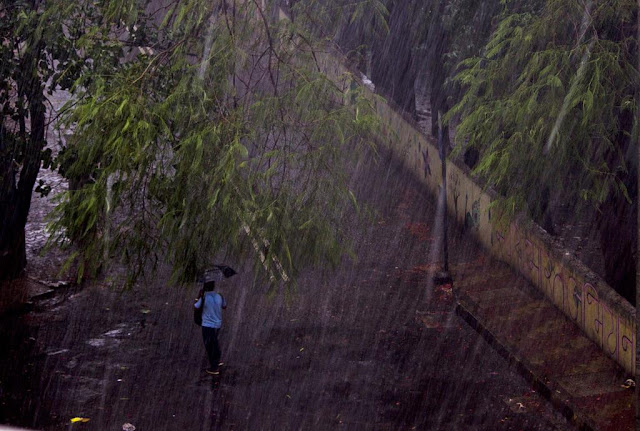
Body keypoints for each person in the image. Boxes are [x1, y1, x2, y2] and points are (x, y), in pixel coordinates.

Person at [194, 280, 227, 375]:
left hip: (207, 325)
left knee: (209, 345)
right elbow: (224, 306)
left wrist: (198, 296)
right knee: (215, 343)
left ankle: (214, 367)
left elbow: (196, 307)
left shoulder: (204, 298)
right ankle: (218, 360)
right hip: (217, 324)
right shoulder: (219, 296)